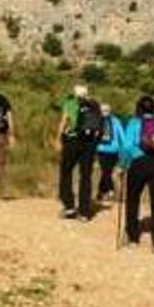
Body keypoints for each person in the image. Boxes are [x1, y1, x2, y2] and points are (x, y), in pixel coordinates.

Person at [116, 95, 154, 253]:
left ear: (138, 108)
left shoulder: (134, 123)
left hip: (139, 163)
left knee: (133, 199)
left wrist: (122, 165)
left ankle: (133, 237)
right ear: (153, 108)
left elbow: (126, 146)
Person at [54, 84, 100, 220]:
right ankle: (84, 211)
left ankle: (69, 206)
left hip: (73, 141)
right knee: (85, 175)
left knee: (66, 170)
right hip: (89, 143)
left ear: (75, 93)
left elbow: (64, 121)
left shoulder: (70, 103)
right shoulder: (94, 104)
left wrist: (58, 139)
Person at [95, 102, 120, 202]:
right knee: (107, 171)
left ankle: (110, 190)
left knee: (105, 171)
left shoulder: (97, 120)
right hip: (114, 150)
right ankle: (101, 193)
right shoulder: (116, 121)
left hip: (101, 149)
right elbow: (121, 135)